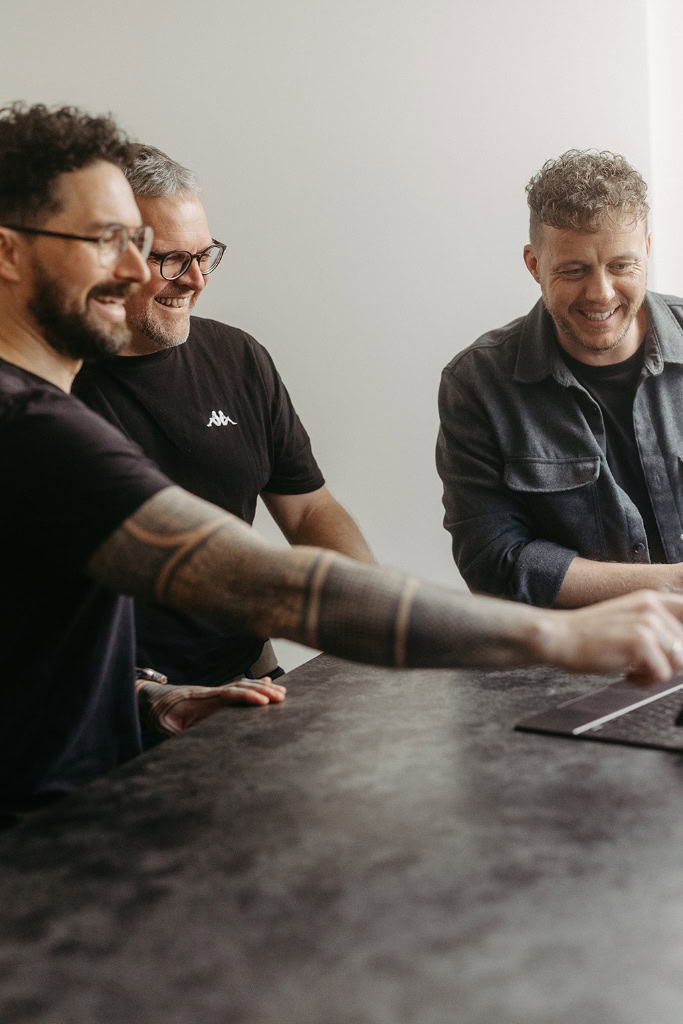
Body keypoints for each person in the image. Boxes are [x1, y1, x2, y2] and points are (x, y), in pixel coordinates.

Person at [3, 107, 683, 822]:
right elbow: (271, 587)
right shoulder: (29, 426)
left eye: (145, 243)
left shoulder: (67, 404)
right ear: (9, 252)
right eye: (109, 241)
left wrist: (148, 696)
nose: (142, 270)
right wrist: (560, 633)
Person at [74, 144, 374, 687]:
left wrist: (370, 609)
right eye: (170, 259)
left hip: (248, 678)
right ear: (107, 255)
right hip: (108, 701)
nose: (196, 280)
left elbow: (308, 511)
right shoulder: (49, 381)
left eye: (205, 255)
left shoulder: (238, 358)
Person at [437, 148, 683, 608]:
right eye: (574, 270)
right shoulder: (477, 383)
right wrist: (670, 586)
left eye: (621, 266)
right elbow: (494, 562)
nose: (601, 293)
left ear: (647, 249)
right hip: (571, 661)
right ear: (534, 264)